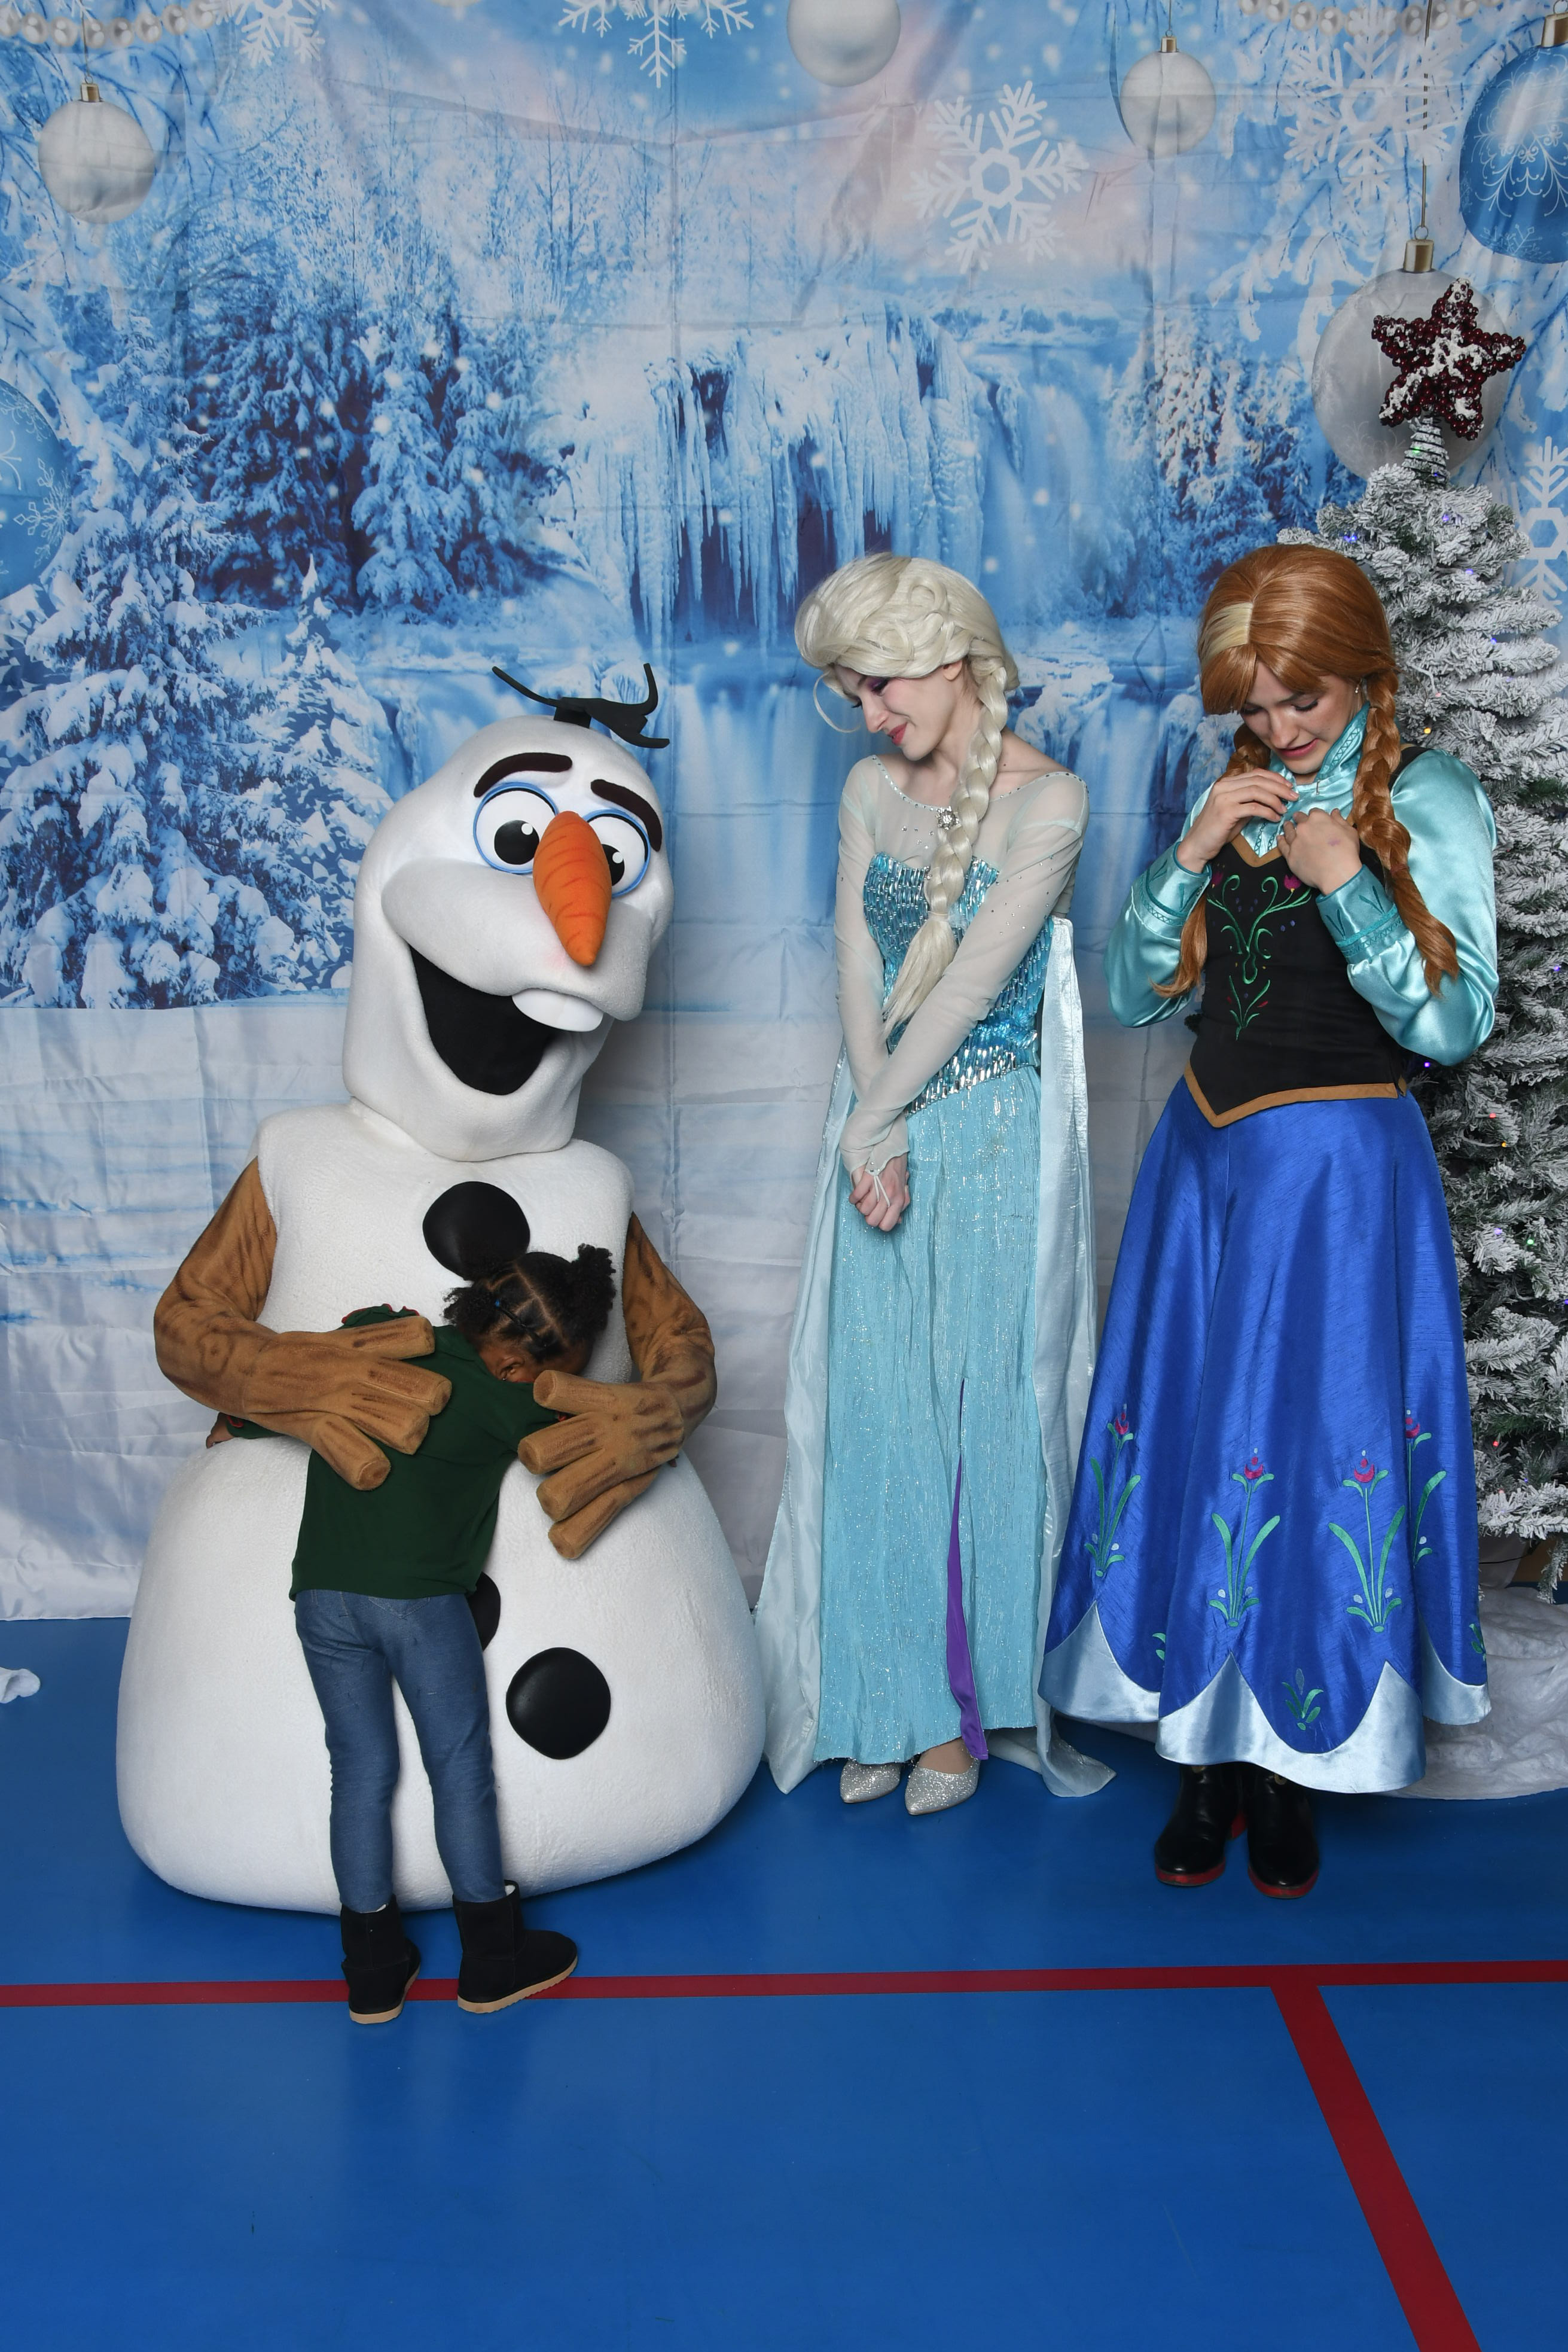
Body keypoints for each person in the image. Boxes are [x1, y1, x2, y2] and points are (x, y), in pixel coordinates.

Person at [1040, 543, 1496, 1897]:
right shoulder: (1227, 793)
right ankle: (1202, 1759)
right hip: (1205, 1168)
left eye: (1303, 699)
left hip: (1340, 1187)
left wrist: (1348, 879)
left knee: (1309, 1450)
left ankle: (1292, 1760)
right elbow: (1133, 996)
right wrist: (1188, 854)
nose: (1280, 728)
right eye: (1254, 707)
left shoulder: (1429, 796)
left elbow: (1456, 1023)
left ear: (1364, 675)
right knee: (1199, 1441)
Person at [755, 553, 1107, 1817]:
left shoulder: (1050, 801)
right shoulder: (869, 788)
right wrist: (869, 1131)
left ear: (954, 662)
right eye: (854, 689)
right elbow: (857, 959)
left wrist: (883, 1120)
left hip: (994, 1135)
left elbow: (969, 989)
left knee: (980, 1422)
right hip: (878, 1128)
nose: (868, 713)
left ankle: (961, 1712)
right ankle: (878, 1697)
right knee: (877, 1416)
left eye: (881, 683)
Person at [225, 1245, 615, 2019]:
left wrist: (234, 1421)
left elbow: (285, 1385)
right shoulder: (513, 1400)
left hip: (322, 1596)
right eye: (544, 1371)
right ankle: (492, 1960)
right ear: (514, 1359)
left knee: (358, 1772)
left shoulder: (377, 1335)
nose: (537, 1385)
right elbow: (602, 1428)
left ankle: (372, 1970)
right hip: (418, 1605)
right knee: (459, 1771)